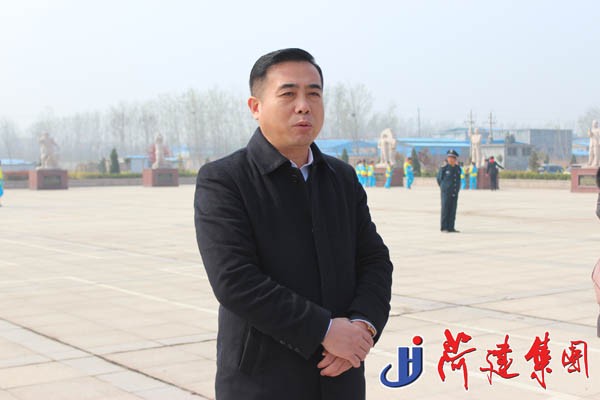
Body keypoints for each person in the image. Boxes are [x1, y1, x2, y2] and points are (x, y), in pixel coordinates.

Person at [194, 48, 393, 400]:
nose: (304, 106)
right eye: (288, 94)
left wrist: (363, 327)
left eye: (314, 94)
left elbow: (374, 260)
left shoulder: (341, 178)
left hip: (341, 372)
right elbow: (234, 280)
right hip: (263, 381)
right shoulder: (225, 180)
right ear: (255, 107)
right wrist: (324, 330)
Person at [437, 150, 461, 232]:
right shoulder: (444, 168)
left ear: (455, 159)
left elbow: (458, 179)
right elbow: (439, 179)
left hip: (454, 192)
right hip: (446, 193)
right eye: (449, 157)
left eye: (452, 158)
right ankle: (444, 227)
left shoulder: (457, 169)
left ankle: (451, 227)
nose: (450, 159)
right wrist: (444, 188)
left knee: (453, 209)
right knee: (445, 209)